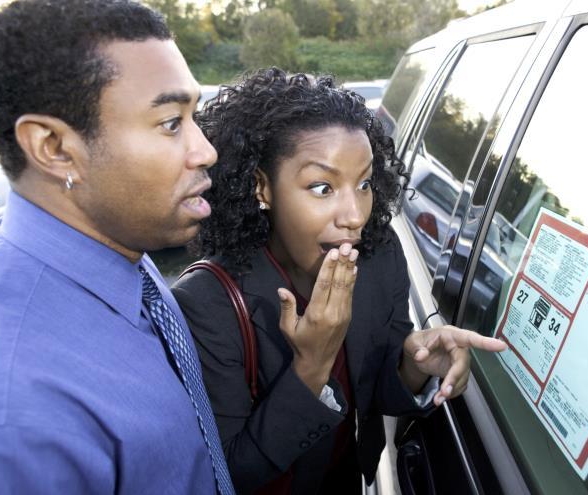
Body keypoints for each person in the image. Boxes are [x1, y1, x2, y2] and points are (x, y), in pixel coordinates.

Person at [172, 68, 506, 494]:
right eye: (322, 187)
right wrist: (311, 365)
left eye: (364, 183)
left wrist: (414, 367)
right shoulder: (206, 303)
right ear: (262, 189)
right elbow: (228, 474)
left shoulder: (380, 259)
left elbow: (374, 392)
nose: (354, 215)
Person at [0, 1, 235, 493]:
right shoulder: (11, 414)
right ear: (54, 148)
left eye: (193, 115)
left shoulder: (119, 249)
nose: (205, 150)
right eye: (171, 123)